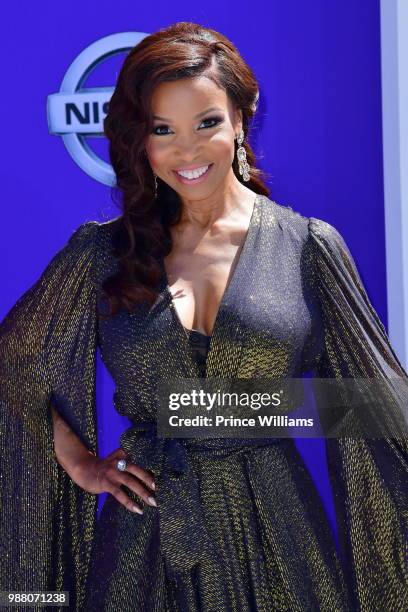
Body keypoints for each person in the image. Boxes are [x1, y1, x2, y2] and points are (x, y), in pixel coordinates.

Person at [0, 21, 407, 612]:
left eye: (207, 123)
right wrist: (79, 461)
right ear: (140, 142)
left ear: (241, 118)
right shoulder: (101, 252)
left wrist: (217, 407)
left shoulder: (309, 247)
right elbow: (12, 367)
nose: (186, 152)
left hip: (280, 538)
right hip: (144, 541)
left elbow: (379, 408)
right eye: (162, 130)